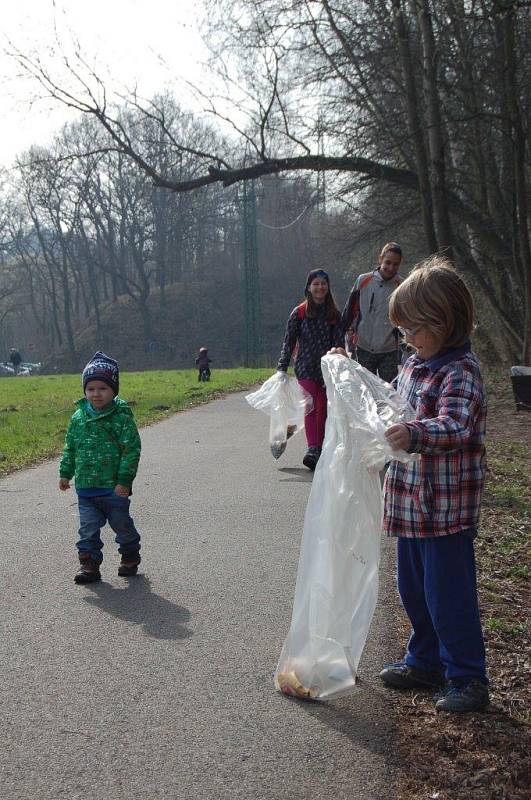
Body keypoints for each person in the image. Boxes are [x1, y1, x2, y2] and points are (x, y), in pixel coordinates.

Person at [380, 257, 489, 713]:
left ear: (445, 323)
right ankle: (424, 661)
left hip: (443, 513)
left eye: (413, 329)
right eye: (402, 331)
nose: (407, 338)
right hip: (410, 508)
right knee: (414, 591)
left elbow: (457, 425)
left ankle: (466, 676)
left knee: (449, 597)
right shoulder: (413, 366)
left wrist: (416, 433)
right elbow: (389, 401)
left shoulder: (459, 371)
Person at [59, 351, 142, 585]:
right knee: (87, 530)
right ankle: (89, 565)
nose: (96, 394)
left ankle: (129, 555)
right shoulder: (78, 417)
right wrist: (65, 473)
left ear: (114, 390)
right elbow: (70, 447)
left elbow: (131, 450)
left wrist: (125, 480)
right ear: (84, 390)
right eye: (91, 388)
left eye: (102, 388)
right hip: (86, 488)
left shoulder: (121, 418)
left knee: (121, 526)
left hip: (113, 488)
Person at [277, 269, 344, 470]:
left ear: (328, 287)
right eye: (316, 284)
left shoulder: (334, 315)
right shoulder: (299, 313)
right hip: (305, 366)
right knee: (311, 404)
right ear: (308, 287)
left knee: (323, 406)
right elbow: (288, 343)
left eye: (323, 283)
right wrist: (281, 368)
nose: (320, 287)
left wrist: (337, 362)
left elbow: (339, 342)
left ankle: (320, 449)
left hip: (326, 368)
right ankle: (312, 449)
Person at [342, 242, 403, 383]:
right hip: (363, 347)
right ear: (380, 259)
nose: (391, 268)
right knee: (365, 393)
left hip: (389, 351)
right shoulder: (363, 280)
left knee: (389, 394)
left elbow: (406, 320)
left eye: (396, 264)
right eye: (388, 262)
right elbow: (348, 312)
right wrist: (341, 341)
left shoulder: (402, 286)